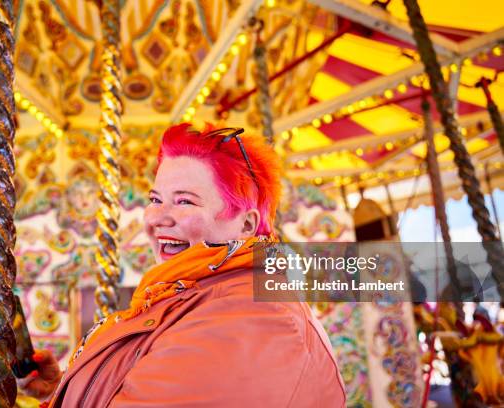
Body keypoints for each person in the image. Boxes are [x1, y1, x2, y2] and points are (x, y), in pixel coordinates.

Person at [19, 124, 346, 407]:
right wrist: (65, 388)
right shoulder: (196, 294)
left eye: (185, 201)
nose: (156, 218)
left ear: (246, 225)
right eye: (155, 199)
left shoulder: (250, 318)